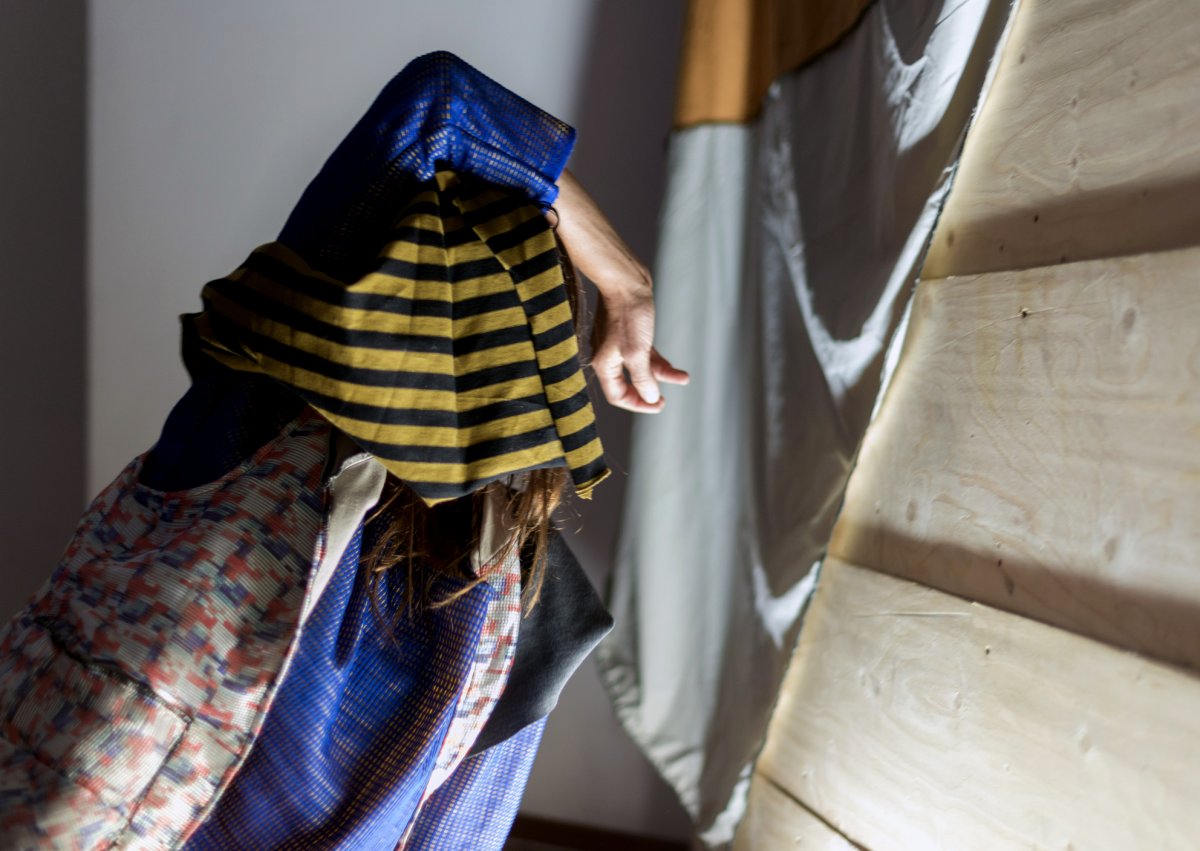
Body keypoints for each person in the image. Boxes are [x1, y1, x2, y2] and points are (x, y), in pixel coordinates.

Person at [0, 51, 686, 850]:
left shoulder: (243, 427)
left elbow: (442, 104)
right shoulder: (527, 603)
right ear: (545, 356)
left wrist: (623, 282)